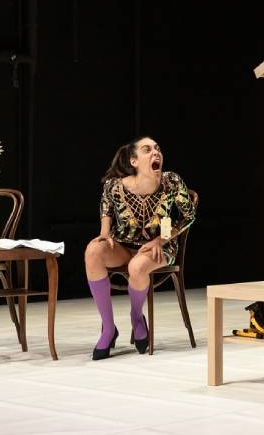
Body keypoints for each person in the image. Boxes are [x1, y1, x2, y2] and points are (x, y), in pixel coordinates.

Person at [84, 136, 196, 360]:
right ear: (134, 161)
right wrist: (104, 233)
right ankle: (108, 328)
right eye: (147, 150)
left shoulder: (171, 181)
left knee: (137, 267)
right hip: (123, 245)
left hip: (159, 248)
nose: (156, 152)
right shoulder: (115, 186)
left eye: (157, 148)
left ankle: (136, 318)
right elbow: (106, 207)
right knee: (93, 251)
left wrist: (161, 239)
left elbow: (187, 215)